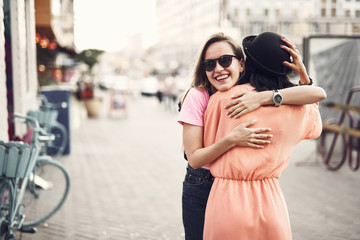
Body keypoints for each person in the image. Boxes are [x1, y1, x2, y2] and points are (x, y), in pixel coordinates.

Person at [178, 33, 326, 240]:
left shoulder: (223, 100)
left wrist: (262, 97)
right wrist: (232, 139)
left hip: (226, 191)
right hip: (261, 193)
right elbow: (315, 106)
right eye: (209, 64)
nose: (218, 68)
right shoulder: (295, 107)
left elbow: (316, 95)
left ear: (243, 64)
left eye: (225, 60)